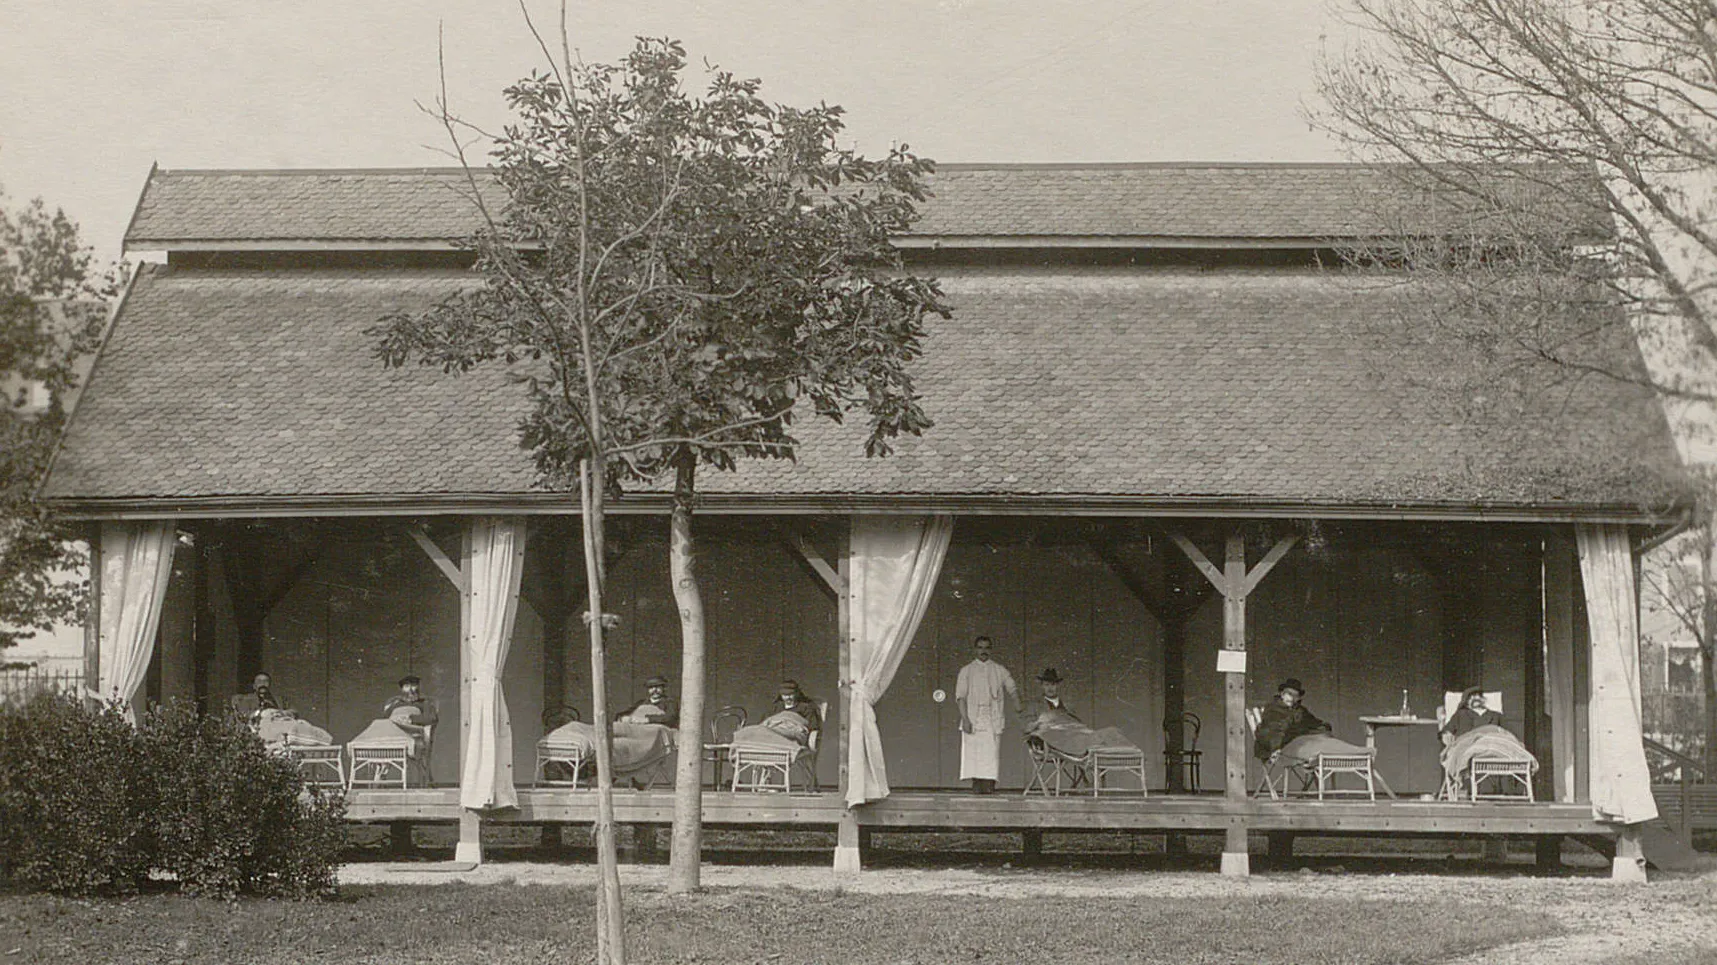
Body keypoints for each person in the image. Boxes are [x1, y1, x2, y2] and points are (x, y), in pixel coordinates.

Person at [956, 635, 1018, 794]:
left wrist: (1017, 702)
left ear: (991, 650)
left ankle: (989, 784)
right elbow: (961, 697)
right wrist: (965, 719)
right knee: (974, 754)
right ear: (975, 649)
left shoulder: (999, 669)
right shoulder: (966, 670)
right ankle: (976, 784)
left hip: (992, 717)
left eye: (986, 648)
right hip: (972, 717)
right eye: (980, 647)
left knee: (991, 753)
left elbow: (1011, 686)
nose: (983, 651)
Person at [1252, 678, 1331, 763]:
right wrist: (1275, 748)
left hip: (1296, 745)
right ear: (1282, 695)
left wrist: (1324, 727)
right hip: (1275, 747)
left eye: (1295, 695)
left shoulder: (1300, 710)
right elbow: (1271, 731)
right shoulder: (1272, 709)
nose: (1292, 698)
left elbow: (1313, 723)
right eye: (1289, 694)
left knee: (1321, 741)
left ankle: (1313, 769)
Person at [380, 674, 439, 755]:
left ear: (418, 687)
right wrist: (394, 720)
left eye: (413, 685)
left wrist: (411, 719)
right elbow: (384, 720)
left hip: (409, 732)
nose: (410, 689)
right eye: (407, 686)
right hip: (391, 732)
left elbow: (432, 718)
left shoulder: (424, 703)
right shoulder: (396, 704)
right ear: (402, 689)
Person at [1020, 667, 1078, 734]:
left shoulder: (1067, 706)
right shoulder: (1035, 706)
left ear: (1057, 685)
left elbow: (1075, 726)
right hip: (1044, 742)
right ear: (1042, 686)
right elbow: (1026, 728)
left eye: (1053, 684)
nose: (1050, 688)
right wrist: (1040, 723)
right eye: (1047, 685)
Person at [1440, 687, 1505, 745]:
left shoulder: (1495, 715)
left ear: (1483, 699)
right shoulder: (1460, 714)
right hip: (1465, 747)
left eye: (1477, 695)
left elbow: (1507, 732)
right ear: (1466, 702)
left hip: (1490, 746)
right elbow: (1447, 729)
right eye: (1470, 697)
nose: (1474, 698)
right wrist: (1446, 734)